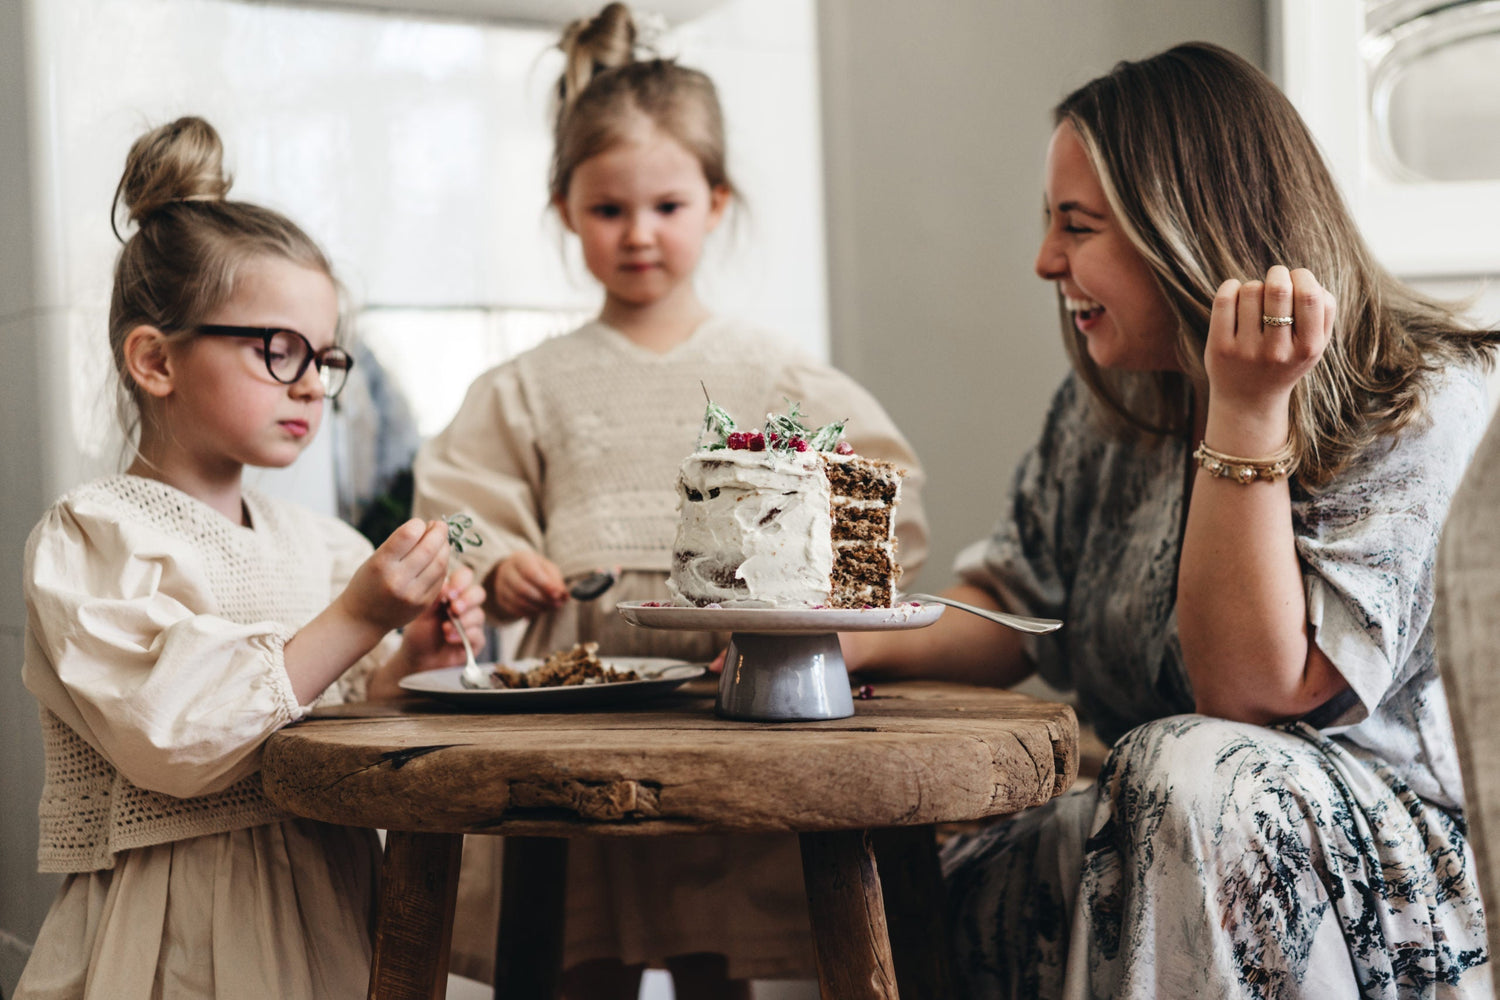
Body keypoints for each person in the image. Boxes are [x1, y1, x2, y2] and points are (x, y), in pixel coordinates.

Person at [843, 42, 1500, 999]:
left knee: (1188, 771)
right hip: (1162, 826)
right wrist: (853, 640)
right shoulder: (1115, 406)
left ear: (1188, 230)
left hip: (1386, 874)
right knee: (960, 865)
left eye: (1078, 226)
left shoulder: (1426, 397)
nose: (1044, 261)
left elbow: (1257, 691)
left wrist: (1245, 412)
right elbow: (1017, 594)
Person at [411, 4, 929, 997]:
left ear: (717, 201)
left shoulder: (777, 373)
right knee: (576, 946)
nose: (638, 235)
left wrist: (808, 609)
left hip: (722, 696)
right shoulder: (530, 384)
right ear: (565, 208)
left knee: (713, 942)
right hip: (583, 706)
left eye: (667, 206)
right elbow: (455, 506)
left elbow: (879, 492)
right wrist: (496, 561)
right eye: (609, 211)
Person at [14, 116, 487, 1000]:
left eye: (326, 357)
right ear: (156, 360)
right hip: (183, 927)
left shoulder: (323, 544)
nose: (313, 383)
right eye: (280, 350)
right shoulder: (96, 537)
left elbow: (336, 719)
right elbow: (173, 738)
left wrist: (411, 656)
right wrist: (356, 617)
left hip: (339, 902)